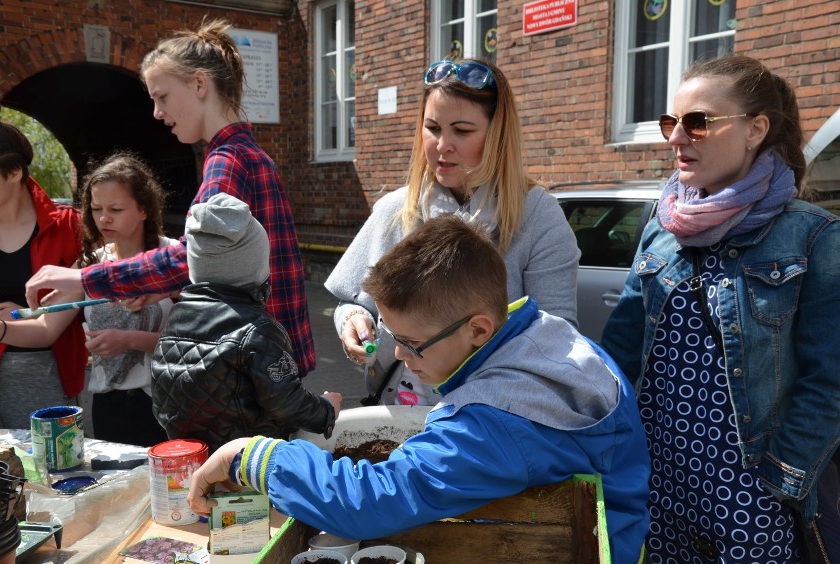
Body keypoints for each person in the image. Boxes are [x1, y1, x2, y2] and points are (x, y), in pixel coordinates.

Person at [187, 215, 650, 561]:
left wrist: (250, 455)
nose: (401, 358)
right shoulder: (548, 338)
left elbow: (370, 500)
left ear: (479, 330)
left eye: (411, 343)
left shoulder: (492, 424)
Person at [601, 55, 840, 563]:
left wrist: (778, 484)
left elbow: (830, 380)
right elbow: (617, 354)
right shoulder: (662, 225)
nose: (676, 137)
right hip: (658, 485)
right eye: (672, 122)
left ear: (756, 129)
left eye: (698, 122)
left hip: (752, 497)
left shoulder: (813, 235)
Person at [23, 18, 316, 376]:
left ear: (199, 84)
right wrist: (161, 286)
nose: (157, 113)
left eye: (162, 97)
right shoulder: (247, 153)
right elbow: (222, 263)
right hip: (275, 359)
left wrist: (83, 279)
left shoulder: (228, 161)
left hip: (256, 369)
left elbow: (188, 256)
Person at [325, 58, 580, 406]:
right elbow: (352, 302)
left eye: (462, 131)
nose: (443, 144)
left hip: (492, 419)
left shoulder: (537, 215)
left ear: (497, 133)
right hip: (396, 414)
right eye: (432, 128)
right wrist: (352, 320)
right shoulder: (395, 209)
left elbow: (557, 337)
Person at [151, 193, 342, 453]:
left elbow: (163, 400)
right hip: (249, 464)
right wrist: (326, 410)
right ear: (254, 267)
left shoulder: (175, 318)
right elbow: (286, 403)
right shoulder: (257, 329)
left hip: (195, 457)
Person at [0, 98, 87, 430]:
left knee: (49, 478)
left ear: (14, 171)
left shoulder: (70, 229)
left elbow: (50, 329)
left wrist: (5, 324)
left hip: (45, 380)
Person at [77, 152, 176, 447]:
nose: (103, 218)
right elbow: (48, 318)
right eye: (96, 209)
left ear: (144, 209)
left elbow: (196, 344)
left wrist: (131, 340)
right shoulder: (91, 263)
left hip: (164, 403)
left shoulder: (173, 258)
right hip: (108, 406)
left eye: (116, 209)